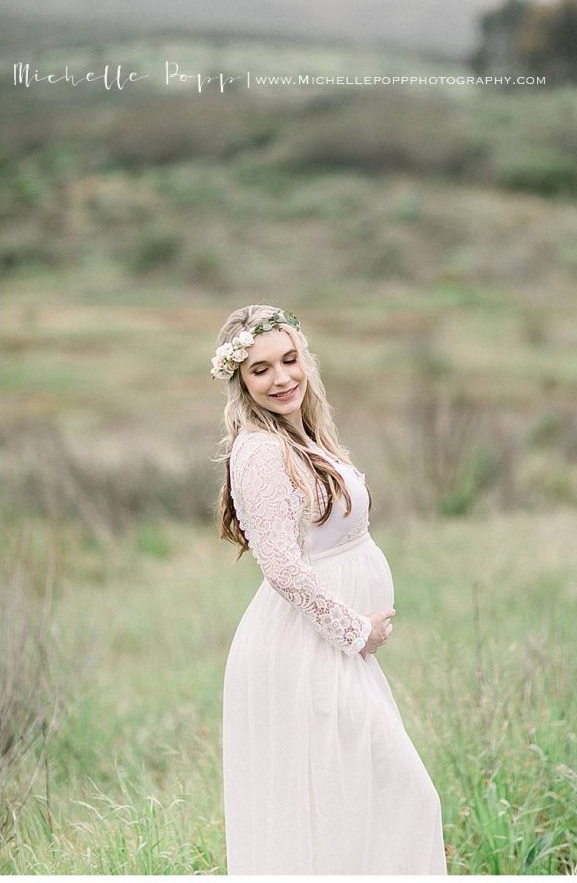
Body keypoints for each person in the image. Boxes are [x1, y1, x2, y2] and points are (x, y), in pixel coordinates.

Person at [213, 304, 447, 875]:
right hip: (304, 650)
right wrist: (355, 629)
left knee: (358, 803)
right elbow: (282, 567)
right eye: (260, 369)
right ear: (240, 381)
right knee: (390, 794)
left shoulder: (302, 436)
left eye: (290, 360)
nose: (281, 378)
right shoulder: (261, 451)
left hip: (330, 648)